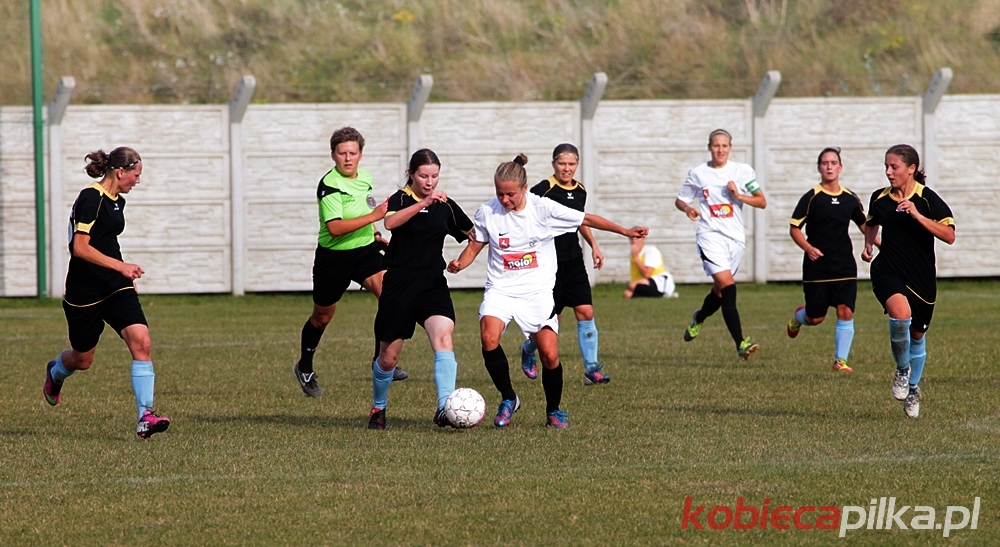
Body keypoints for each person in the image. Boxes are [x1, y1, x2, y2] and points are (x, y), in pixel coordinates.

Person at [448, 155, 647, 429]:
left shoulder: (542, 208)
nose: (504, 199)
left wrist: (625, 231)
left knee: (550, 355)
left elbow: (586, 218)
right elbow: (475, 245)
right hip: (502, 289)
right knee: (488, 337)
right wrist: (460, 263)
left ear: (524, 188)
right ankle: (509, 398)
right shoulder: (487, 212)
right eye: (500, 193)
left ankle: (553, 410)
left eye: (510, 194)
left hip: (538, 292)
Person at [42, 147, 170, 439]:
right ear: (121, 172)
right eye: (136, 175)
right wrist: (121, 267)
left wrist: (123, 275)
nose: (138, 181)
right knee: (82, 360)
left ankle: (145, 417)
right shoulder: (90, 198)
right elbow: (80, 248)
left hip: (115, 286)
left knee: (142, 342)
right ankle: (56, 372)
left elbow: (107, 242)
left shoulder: (117, 202)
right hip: (84, 291)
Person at [293, 126, 407, 398]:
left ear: (360, 155)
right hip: (334, 258)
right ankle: (304, 367)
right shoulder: (330, 185)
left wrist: (375, 234)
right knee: (322, 317)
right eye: (342, 153)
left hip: (365, 252)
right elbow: (334, 228)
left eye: (352, 153)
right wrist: (375, 217)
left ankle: (381, 361)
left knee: (390, 295)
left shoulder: (365, 178)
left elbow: (364, 210)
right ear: (333, 155)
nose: (347, 158)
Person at [366, 149, 474, 430]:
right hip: (399, 283)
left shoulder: (445, 205)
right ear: (411, 174)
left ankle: (445, 408)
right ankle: (378, 407)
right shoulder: (400, 198)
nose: (430, 181)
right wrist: (423, 202)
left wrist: (462, 262)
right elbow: (390, 222)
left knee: (443, 337)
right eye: (424, 176)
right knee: (388, 358)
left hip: (432, 283)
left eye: (435, 176)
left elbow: (475, 235)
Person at [862, 144, 955, 418]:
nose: (888, 172)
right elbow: (871, 222)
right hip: (887, 270)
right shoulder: (879, 198)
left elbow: (949, 235)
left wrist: (917, 215)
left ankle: (913, 388)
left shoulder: (927, 199)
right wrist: (868, 245)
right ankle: (903, 370)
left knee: (917, 334)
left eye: (894, 167)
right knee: (900, 315)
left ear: (911, 169)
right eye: (886, 167)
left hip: (921, 277)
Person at [519, 143, 610, 386]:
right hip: (549, 265)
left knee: (586, 312)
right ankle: (528, 349)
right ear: (554, 164)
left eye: (571, 164)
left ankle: (591, 369)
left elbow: (580, 220)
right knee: (551, 321)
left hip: (574, 262)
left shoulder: (580, 190)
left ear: (577, 164)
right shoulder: (543, 189)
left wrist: (594, 245)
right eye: (562, 163)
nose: (566, 168)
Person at [675, 129, 767, 361]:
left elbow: (761, 201)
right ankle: (741, 343)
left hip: (735, 239)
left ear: (730, 148)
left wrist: (739, 196)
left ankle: (699, 317)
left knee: (719, 292)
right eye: (716, 145)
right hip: (709, 236)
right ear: (709, 147)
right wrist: (688, 209)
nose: (720, 150)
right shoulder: (698, 173)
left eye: (724, 145)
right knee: (728, 287)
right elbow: (681, 200)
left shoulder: (742, 171)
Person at [785, 147, 873, 373]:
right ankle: (798, 317)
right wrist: (808, 247)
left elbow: (865, 225)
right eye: (825, 163)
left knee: (846, 310)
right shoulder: (812, 197)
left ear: (840, 167)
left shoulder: (850, 198)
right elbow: (794, 228)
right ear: (819, 168)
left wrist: (876, 244)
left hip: (844, 265)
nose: (829, 167)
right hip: (817, 266)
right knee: (816, 318)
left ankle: (840, 361)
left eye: (833, 163)